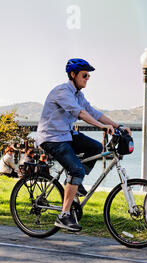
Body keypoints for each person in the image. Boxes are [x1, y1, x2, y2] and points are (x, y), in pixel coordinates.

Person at [36, 58, 131, 232]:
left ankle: (74, 183)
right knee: (77, 170)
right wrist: (101, 126)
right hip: (52, 138)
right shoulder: (62, 91)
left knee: (95, 147)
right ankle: (64, 215)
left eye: (89, 76)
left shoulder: (79, 95)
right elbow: (79, 113)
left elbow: (93, 112)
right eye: (85, 75)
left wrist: (118, 126)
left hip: (66, 135)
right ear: (73, 75)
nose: (87, 78)